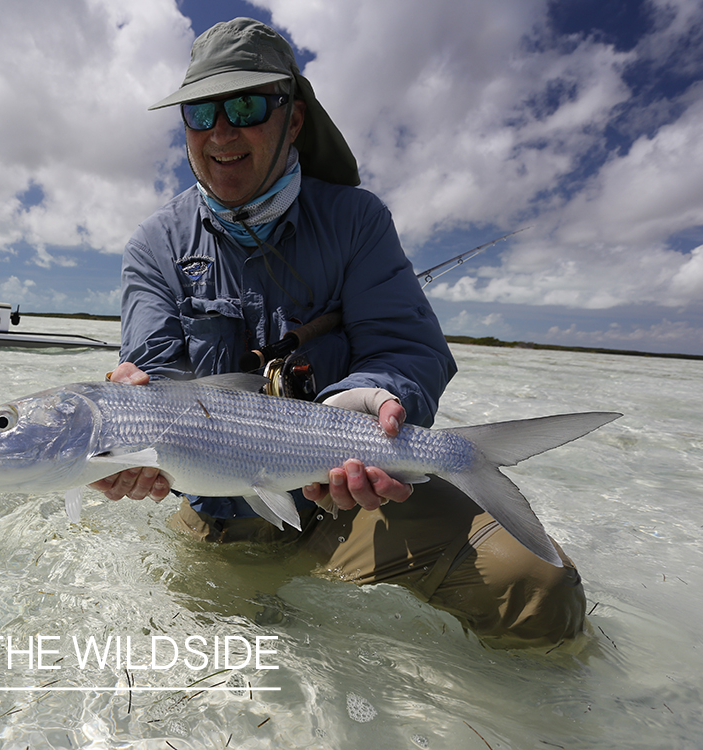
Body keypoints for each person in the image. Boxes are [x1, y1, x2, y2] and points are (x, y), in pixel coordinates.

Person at [91, 18, 586, 647]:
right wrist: (134, 429)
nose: (221, 131)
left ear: (293, 119)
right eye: (200, 111)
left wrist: (379, 395)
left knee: (540, 590)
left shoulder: (357, 221)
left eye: (244, 104)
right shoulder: (154, 245)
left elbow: (406, 348)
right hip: (223, 511)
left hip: (354, 499)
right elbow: (155, 377)